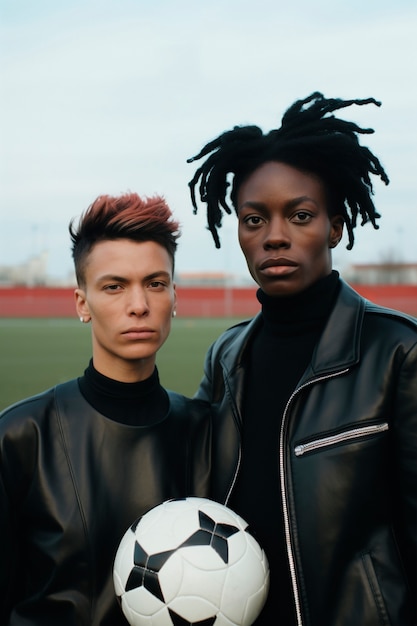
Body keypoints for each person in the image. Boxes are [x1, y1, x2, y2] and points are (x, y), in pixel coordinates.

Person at [187, 92, 417, 626]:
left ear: (335, 227)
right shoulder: (225, 356)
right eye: (253, 219)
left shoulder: (397, 352)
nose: (274, 237)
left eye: (300, 215)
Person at [0, 193, 211, 625]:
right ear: (82, 304)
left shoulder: (208, 432)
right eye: (114, 286)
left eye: (155, 283)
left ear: (174, 296)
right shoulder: (21, 436)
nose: (139, 305)